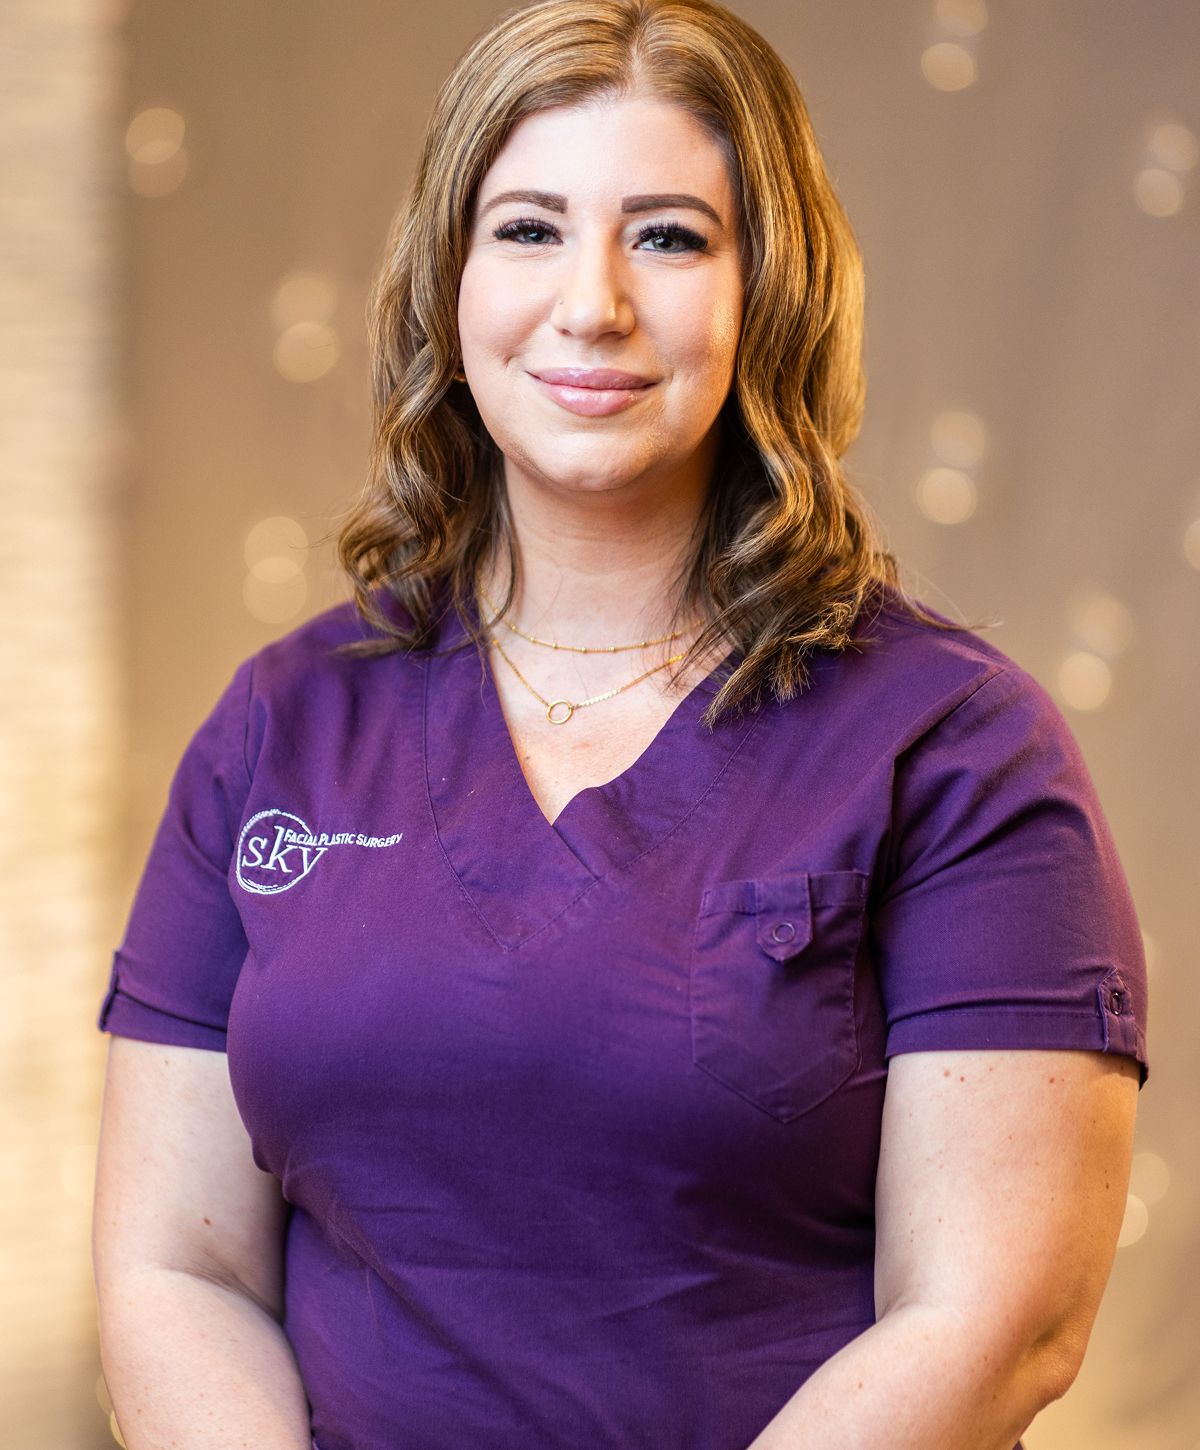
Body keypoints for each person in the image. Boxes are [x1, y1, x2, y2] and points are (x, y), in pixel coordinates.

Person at [91, 1, 1149, 1447]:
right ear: (449, 282)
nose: (591, 302)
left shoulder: (957, 749)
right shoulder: (285, 720)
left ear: (766, 290)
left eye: (667, 235)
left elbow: (997, 1320)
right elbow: (176, 1267)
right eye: (528, 229)